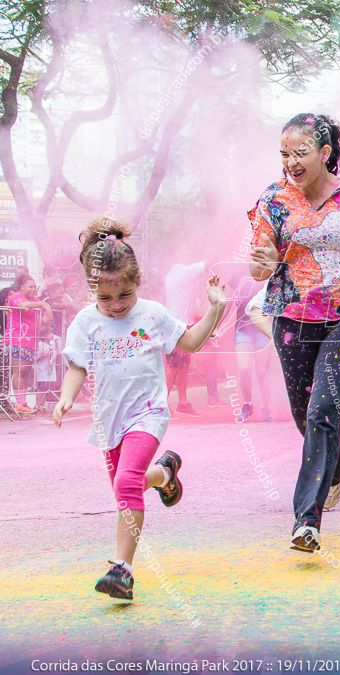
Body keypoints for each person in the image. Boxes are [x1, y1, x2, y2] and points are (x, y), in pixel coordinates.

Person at [53, 218, 226, 600]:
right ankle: (164, 474)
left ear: (138, 281)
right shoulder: (85, 322)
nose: (116, 305)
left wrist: (215, 310)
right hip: (108, 419)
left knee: (125, 484)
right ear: (92, 289)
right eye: (106, 298)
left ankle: (122, 571)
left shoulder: (152, 314)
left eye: (125, 295)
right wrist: (67, 396)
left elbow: (192, 342)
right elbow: (77, 366)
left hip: (148, 414)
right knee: (125, 487)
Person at [249, 112, 340, 553]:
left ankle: (306, 521)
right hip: (292, 318)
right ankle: (339, 462)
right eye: (283, 154)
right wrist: (258, 266)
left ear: (325, 153)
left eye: (300, 153)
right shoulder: (274, 199)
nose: (290, 163)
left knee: (322, 408)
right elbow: (261, 260)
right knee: (304, 413)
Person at [163, 259, 212, 416]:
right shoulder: (183, 272)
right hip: (176, 327)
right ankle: (161, 406)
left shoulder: (172, 274)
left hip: (183, 326)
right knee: (173, 366)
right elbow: (208, 263)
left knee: (182, 365)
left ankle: (183, 403)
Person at [5, 273, 52, 414]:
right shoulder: (16, 297)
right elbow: (22, 305)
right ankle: (19, 403)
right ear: (22, 286)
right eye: (30, 286)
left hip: (30, 341)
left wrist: (45, 313)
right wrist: (43, 304)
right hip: (18, 340)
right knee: (19, 371)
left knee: (25, 372)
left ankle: (22, 402)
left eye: (34, 287)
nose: (33, 289)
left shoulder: (33, 299)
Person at [230, 277, 273, 422]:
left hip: (263, 329)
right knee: (244, 368)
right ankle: (247, 404)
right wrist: (216, 326)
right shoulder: (238, 275)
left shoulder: (270, 276)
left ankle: (265, 407)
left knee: (262, 370)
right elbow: (227, 303)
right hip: (242, 330)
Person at [33, 321, 59, 411]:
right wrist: (47, 354)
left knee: (46, 388)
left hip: (50, 369)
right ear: (43, 335)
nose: (51, 335)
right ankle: (38, 405)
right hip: (42, 369)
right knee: (41, 387)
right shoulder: (40, 345)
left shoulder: (51, 344)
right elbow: (37, 358)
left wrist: (57, 343)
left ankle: (43, 406)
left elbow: (56, 354)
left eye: (52, 333)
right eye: (49, 333)